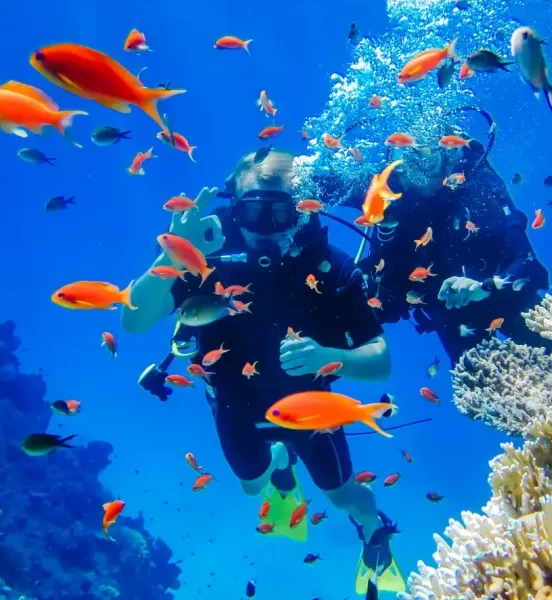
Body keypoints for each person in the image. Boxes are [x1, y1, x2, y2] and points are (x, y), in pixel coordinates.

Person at [121, 149, 406, 593]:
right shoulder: (203, 258)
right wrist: (174, 256)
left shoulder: (329, 267)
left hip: (313, 411)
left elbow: (381, 362)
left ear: (302, 210)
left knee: (343, 495)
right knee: (252, 488)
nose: (266, 228)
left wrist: (334, 357)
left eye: (280, 212)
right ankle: (280, 461)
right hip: (236, 406)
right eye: (253, 212)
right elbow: (133, 320)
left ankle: (373, 528)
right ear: (234, 208)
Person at [319, 136, 552, 365]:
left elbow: (529, 263)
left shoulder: (476, 187)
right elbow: (319, 186)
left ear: (447, 156)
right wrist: (287, 182)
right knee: (481, 389)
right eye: (410, 162)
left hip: (509, 297)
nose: (419, 173)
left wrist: (485, 287)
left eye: (427, 161)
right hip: (449, 313)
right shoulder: (388, 190)